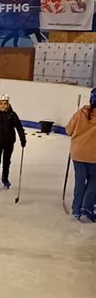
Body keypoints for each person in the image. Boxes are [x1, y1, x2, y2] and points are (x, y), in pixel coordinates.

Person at [65, 87, 96, 222]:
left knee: (80, 181)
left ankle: (76, 209)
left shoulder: (80, 113)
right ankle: (87, 207)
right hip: (93, 155)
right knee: (93, 180)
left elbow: (68, 130)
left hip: (78, 154)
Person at [0, 94, 26, 189]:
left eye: (5, 103)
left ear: (8, 104)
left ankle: (5, 178)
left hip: (9, 142)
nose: (3, 105)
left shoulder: (12, 115)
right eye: (1, 104)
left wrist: (22, 139)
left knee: (6, 161)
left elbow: (19, 127)